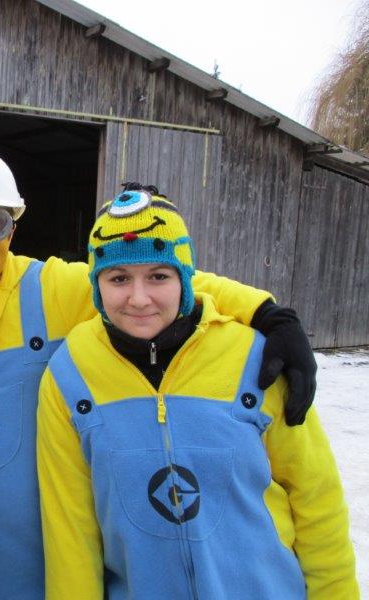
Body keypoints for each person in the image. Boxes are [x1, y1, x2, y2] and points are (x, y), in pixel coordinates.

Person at [0, 149, 319, 599]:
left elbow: (155, 271)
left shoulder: (50, 290)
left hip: (47, 581)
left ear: (12, 231)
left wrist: (266, 312)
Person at [37, 188, 357, 598]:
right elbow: (70, 531)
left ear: (185, 277)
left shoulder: (256, 358)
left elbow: (316, 498)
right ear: (96, 284)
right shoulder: (70, 373)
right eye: (118, 278)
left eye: (159, 276)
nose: (139, 298)